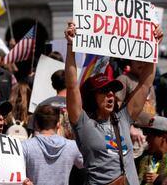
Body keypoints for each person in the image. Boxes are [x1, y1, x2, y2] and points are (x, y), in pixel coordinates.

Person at [64, 21, 163, 185]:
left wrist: (153, 47)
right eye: (104, 91)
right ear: (92, 97)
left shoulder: (122, 119)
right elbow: (71, 85)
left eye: (112, 90)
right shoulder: (83, 123)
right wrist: (70, 46)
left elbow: (145, 84)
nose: (110, 94)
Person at [22, 105, 83, 185]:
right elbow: (88, 164)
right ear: (58, 124)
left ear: (36, 124)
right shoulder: (72, 146)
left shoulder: (25, 146)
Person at [136, 116, 167, 185]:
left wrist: (161, 180)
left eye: (151, 135)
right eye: (147, 134)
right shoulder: (143, 159)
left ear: (164, 137)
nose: (147, 139)